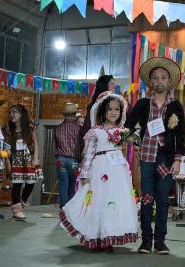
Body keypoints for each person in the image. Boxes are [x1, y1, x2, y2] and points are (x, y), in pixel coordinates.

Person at [60, 92, 137, 252]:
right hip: (100, 170)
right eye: (109, 109)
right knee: (98, 203)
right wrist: (85, 175)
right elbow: (88, 155)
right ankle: (96, 237)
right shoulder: (95, 131)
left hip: (117, 173)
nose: (113, 112)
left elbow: (136, 142)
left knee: (113, 203)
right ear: (103, 111)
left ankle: (108, 238)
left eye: (117, 109)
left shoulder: (122, 132)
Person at [125, 57, 185, 255]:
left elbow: (180, 135)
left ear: (170, 82)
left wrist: (177, 159)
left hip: (166, 159)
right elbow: (129, 124)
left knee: (163, 199)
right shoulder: (143, 104)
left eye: (163, 78)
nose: (160, 81)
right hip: (147, 158)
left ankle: (160, 241)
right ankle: (145, 241)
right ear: (150, 82)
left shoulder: (176, 106)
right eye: (155, 78)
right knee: (147, 198)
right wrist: (134, 134)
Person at [4, 104, 41, 220]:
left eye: (14, 112)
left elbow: (35, 143)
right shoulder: (8, 129)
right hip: (15, 160)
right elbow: (6, 147)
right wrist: (8, 163)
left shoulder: (30, 127)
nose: (11, 115)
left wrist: (35, 158)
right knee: (17, 185)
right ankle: (16, 210)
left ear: (21, 114)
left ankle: (21, 202)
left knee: (31, 183)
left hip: (28, 159)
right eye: (10, 112)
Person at [54, 103, 82, 208]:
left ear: (64, 115)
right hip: (74, 160)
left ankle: (63, 207)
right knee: (72, 184)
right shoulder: (79, 129)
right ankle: (70, 208)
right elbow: (81, 145)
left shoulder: (57, 128)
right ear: (75, 115)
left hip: (60, 159)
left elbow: (56, 145)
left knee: (62, 184)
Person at [79, 75, 116, 140]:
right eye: (112, 84)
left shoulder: (114, 103)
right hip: (98, 142)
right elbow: (87, 127)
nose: (114, 86)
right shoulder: (94, 105)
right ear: (104, 86)